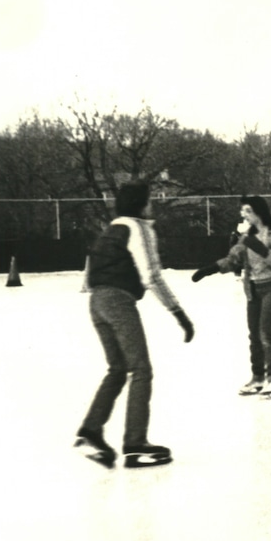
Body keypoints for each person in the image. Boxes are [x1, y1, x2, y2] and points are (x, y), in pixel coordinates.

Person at [75, 181, 194, 469]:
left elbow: (90, 270)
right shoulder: (139, 228)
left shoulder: (111, 227)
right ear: (141, 204)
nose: (151, 205)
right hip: (118, 301)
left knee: (117, 370)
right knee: (141, 369)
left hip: (96, 301)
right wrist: (178, 313)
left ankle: (91, 431)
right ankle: (135, 444)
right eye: (149, 200)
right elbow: (151, 275)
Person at [192, 195, 271, 398]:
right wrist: (210, 269)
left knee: (265, 332)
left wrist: (253, 243)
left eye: (248, 211)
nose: (244, 215)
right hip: (252, 289)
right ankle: (258, 378)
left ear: (259, 212)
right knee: (253, 335)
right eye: (243, 211)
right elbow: (233, 259)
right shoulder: (246, 238)